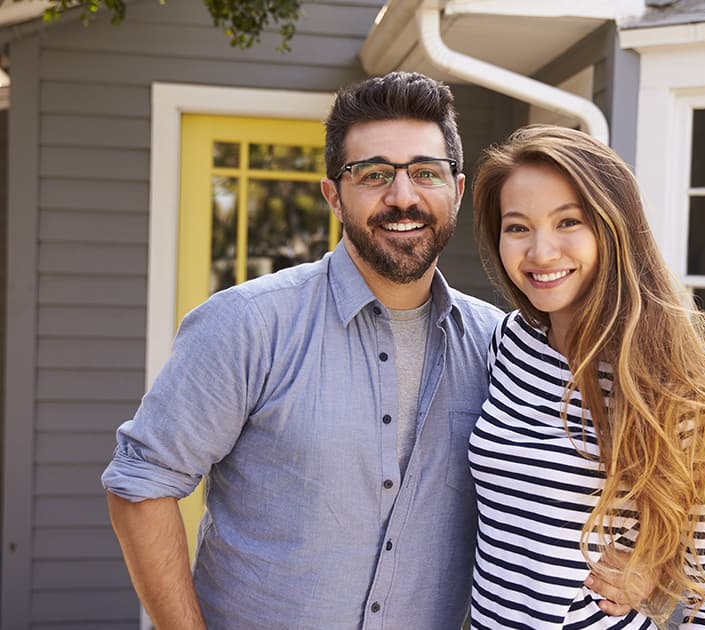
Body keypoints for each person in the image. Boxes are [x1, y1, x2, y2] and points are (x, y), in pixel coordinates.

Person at [101, 72, 633, 630]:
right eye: (374, 174)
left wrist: (646, 565)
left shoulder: (502, 347)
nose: (403, 197)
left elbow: (582, 485)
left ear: (455, 188)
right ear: (334, 194)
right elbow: (142, 483)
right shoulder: (247, 325)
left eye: (425, 173)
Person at [470, 125, 705, 628]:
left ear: (613, 228)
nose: (540, 252)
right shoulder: (509, 343)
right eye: (517, 227)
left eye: (568, 222)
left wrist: (659, 560)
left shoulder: (673, 390)